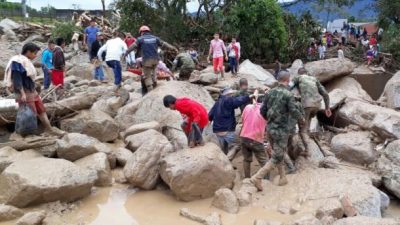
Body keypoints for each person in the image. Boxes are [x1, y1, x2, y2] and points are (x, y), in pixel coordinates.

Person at [251, 71, 304, 191]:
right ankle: (257, 177)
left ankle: (283, 177)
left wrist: (270, 121)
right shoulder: (288, 94)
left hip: (270, 129)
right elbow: (293, 111)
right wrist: (302, 118)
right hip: (281, 131)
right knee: (276, 157)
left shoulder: (269, 93)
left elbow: (262, 111)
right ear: (288, 80)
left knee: (277, 153)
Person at [4, 43, 64, 136]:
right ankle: (24, 135)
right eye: (34, 53)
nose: (35, 55)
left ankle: (49, 129)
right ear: (28, 52)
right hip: (24, 91)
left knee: (41, 110)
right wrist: (22, 93)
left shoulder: (25, 60)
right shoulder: (17, 61)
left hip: (31, 90)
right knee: (29, 113)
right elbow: (17, 78)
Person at [125, 25, 177, 95]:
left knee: (147, 76)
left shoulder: (140, 39)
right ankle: (155, 84)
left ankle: (150, 93)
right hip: (156, 60)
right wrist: (173, 48)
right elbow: (164, 44)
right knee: (154, 73)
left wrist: (126, 53)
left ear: (141, 32)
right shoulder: (155, 38)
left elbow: (133, 46)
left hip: (146, 60)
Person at [291, 68, 331, 155]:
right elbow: (325, 94)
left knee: (302, 129)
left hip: (306, 105)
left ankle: (307, 150)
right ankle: (307, 140)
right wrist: (327, 108)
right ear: (307, 73)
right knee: (307, 124)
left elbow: (289, 87)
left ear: (299, 74)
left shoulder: (298, 78)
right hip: (317, 105)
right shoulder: (314, 79)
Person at [208, 87, 251, 160]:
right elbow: (238, 101)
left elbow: (210, 115)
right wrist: (248, 97)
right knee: (236, 146)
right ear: (228, 94)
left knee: (224, 148)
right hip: (227, 129)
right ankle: (226, 162)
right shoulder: (228, 99)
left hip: (217, 130)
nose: (232, 95)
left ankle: (226, 165)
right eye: (231, 94)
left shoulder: (217, 102)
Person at [240, 95, 268, 178]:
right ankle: (266, 180)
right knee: (264, 161)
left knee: (246, 159)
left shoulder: (247, 107)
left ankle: (247, 178)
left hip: (244, 136)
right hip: (256, 138)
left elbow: (243, 119)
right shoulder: (265, 111)